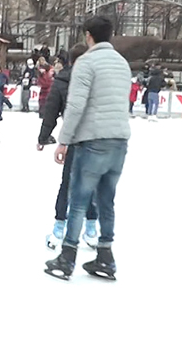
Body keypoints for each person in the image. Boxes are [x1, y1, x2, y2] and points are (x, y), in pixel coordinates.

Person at [45, 15, 131, 281]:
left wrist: (64, 140)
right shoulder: (122, 63)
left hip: (92, 139)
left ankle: (67, 255)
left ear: (88, 36)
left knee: (79, 198)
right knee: (106, 199)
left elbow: (76, 105)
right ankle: (105, 255)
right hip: (119, 139)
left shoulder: (86, 62)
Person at [37, 43, 99, 250]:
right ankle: (91, 229)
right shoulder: (96, 78)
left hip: (74, 138)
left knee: (68, 183)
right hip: (97, 138)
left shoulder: (63, 80)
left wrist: (43, 137)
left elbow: (51, 110)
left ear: (69, 60)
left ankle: (58, 229)